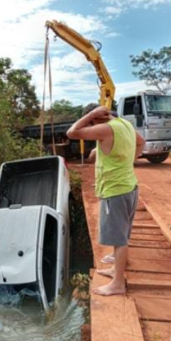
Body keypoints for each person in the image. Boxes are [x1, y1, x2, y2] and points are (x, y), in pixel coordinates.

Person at [67, 103, 145, 296]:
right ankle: (115, 270)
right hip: (129, 186)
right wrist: (127, 161)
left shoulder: (105, 128)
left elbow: (72, 132)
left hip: (115, 191)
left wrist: (91, 114)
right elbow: (141, 142)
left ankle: (118, 284)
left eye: (91, 121)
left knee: (119, 239)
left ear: (96, 118)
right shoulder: (124, 124)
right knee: (123, 233)